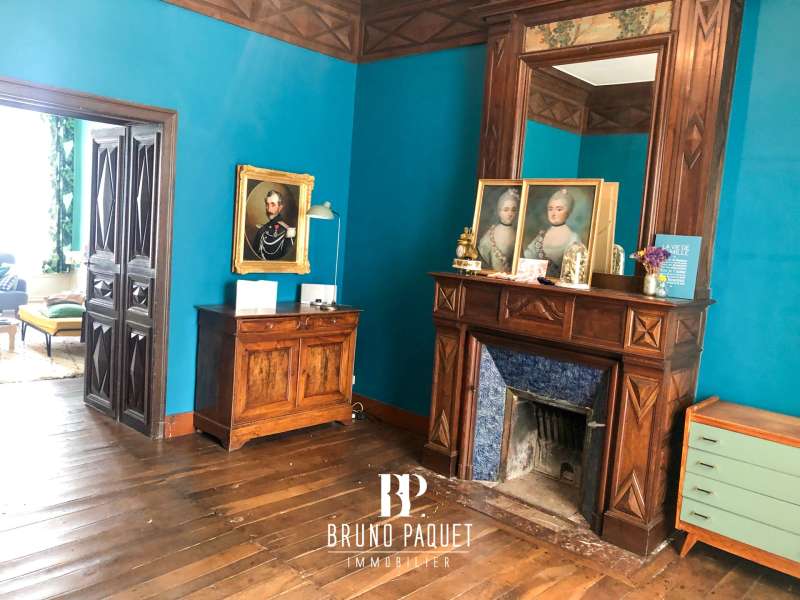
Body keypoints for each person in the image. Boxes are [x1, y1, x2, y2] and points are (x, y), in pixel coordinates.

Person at [523, 188, 580, 276]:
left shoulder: (573, 238)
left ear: (568, 212)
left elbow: (573, 269)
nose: (553, 214)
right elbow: (528, 257)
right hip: (537, 279)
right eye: (550, 209)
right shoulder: (542, 235)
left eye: (559, 209)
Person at [477, 188, 520, 273]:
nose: (510, 214)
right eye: (506, 210)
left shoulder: (517, 233)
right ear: (499, 211)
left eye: (513, 210)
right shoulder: (491, 234)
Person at [252, 190, 296, 260]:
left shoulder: (288, 231)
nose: (269, 209)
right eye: (267, 204)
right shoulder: (262, 230)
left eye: (273, 204)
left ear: (280, 207)